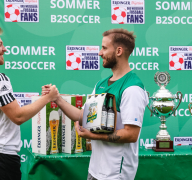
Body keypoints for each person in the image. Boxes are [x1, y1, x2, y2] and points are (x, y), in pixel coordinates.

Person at [42, 28, 149, 180]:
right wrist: (57, 98)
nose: (100, 52)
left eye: (104, 48)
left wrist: (92, 136)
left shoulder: (132, 88)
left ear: (119, 51)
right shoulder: (101, 84)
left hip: (116, 174)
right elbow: (82, 115)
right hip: (95, 170)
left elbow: (131, 134)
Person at [0, 24, 59, 180]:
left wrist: (41, 98)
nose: (5, 49)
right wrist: (48, 98)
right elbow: (18, 117)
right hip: (0, 153)